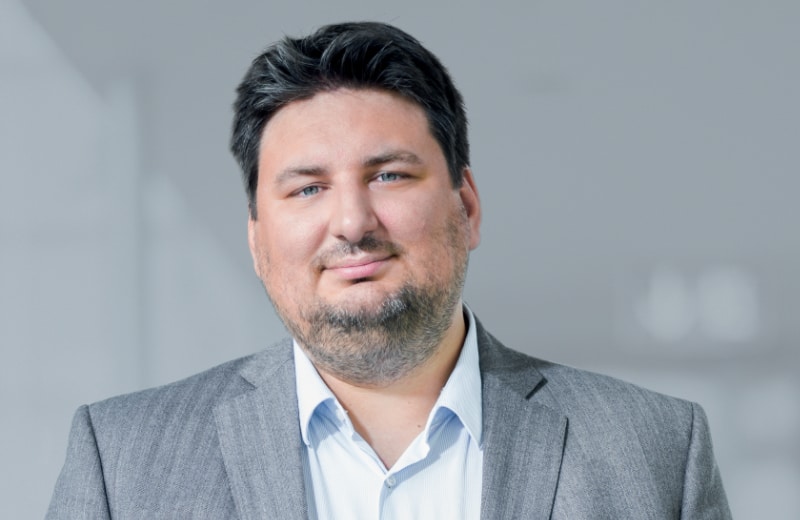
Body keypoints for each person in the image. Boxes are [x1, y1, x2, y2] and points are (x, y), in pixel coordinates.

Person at [47, 21, 731, 519]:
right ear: (256, 242)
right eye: (307, 188)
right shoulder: (124, 463)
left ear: (467, 207)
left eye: (390, 175)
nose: (352, 222)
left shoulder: (652, 451)